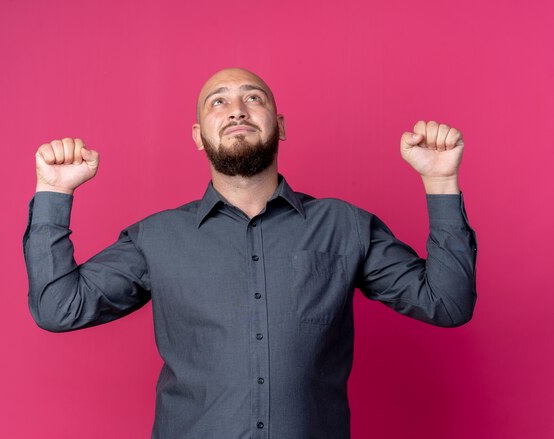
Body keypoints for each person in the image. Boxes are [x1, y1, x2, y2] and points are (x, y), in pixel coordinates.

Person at [23, 67, 477, 438]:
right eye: (217, 101)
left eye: (253, 98)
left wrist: (440, 183)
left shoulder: (344, 226)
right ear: (199, 136)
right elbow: (58, 308)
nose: (237, 109)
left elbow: (447, 303)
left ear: (280, 127)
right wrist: (53, 192)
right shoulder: (155, 238)